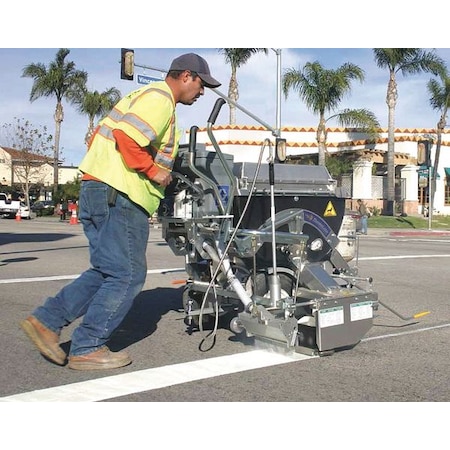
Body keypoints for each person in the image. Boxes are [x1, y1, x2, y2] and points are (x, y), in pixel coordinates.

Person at [20, 53, 221, 371]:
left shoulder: (140, 96)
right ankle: (87, 346)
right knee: (127, 275)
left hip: (99, 189)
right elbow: (127, 138)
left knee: (106, 271)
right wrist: (152, 171)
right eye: (201, 85)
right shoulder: (160, 99)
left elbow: (102, 139)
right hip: (121, 195)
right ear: (186, 76)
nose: (201, 92)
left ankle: (46, 322)